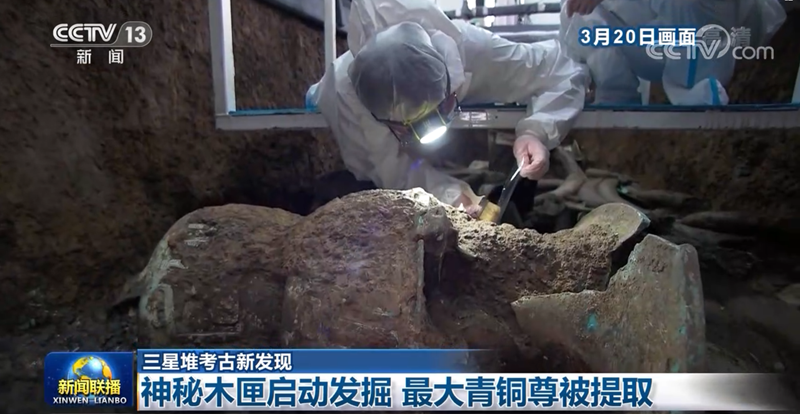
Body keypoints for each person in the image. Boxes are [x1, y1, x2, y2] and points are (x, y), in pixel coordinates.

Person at [308, 0, 589, 218]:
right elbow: (392, 174)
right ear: (384, 119)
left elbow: (562, 69)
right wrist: (453, 196)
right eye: (411, 126)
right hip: (333, 103)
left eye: (440, 110)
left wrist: (536, 133)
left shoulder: (470, 49)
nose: (432, 129)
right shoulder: (347, 98)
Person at [561, 0, 786, 105]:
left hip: (718, 29)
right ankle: (616, 94)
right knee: (575, 12)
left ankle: (693, 90)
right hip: (661, 38)